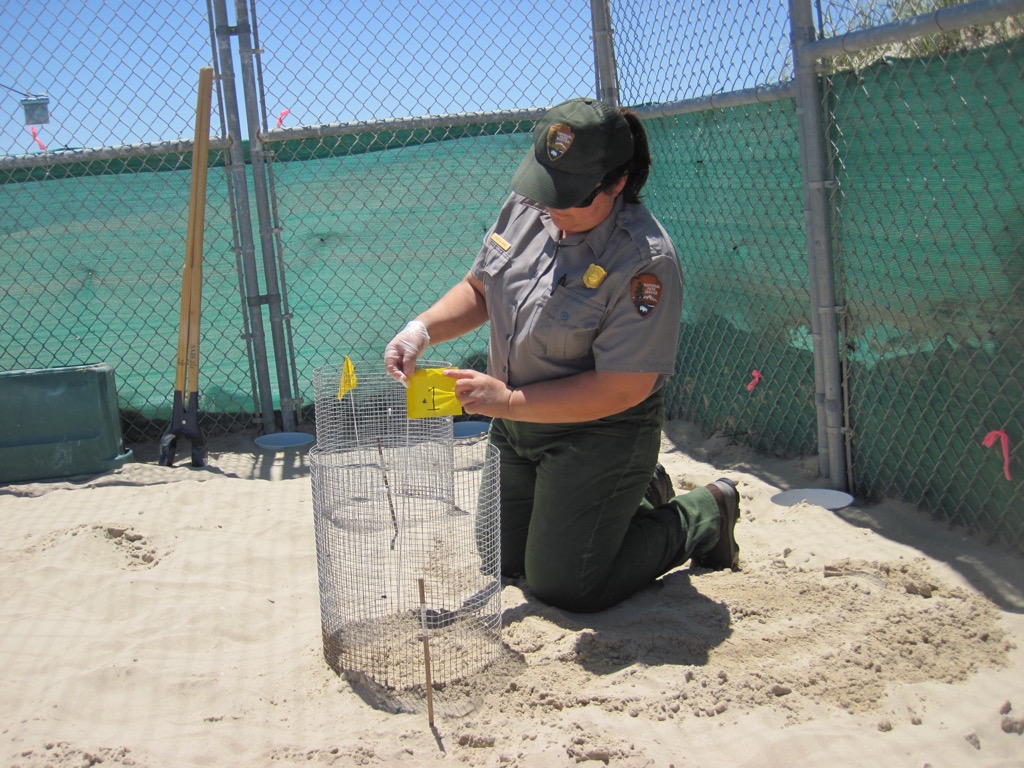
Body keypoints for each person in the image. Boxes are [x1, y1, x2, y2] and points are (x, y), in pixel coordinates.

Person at [384, 97, 739, 613]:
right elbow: (480, 288)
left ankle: (704, 513)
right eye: (546, 190)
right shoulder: (531, 205)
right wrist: (421, 330)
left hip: (598, 430)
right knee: (499, 560)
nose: (552, 208)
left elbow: (622, 388)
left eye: (569, 198)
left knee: (567, 586)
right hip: (517, 425)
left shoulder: (644, 261)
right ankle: (633, 495)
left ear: (616, 184)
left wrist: (504, 400)